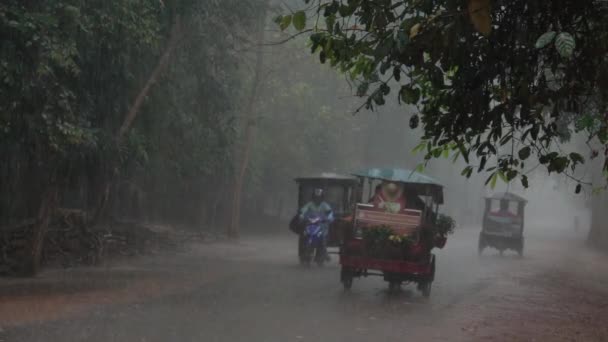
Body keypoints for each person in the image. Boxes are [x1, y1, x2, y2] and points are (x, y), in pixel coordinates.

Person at [299, 188, 334, 260]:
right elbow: (303, 210)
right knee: (304, 236)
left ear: (322, 197)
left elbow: (330, 213)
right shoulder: (310, 204)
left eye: (319, 197)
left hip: (322, 226)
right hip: (310, 224)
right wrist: (301, 216)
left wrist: (328, 218)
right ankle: (303, 252)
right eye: (316, 197)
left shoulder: (325, 205)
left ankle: (324, 253)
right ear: (313, 197)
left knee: (323, 240)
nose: (317, 199)